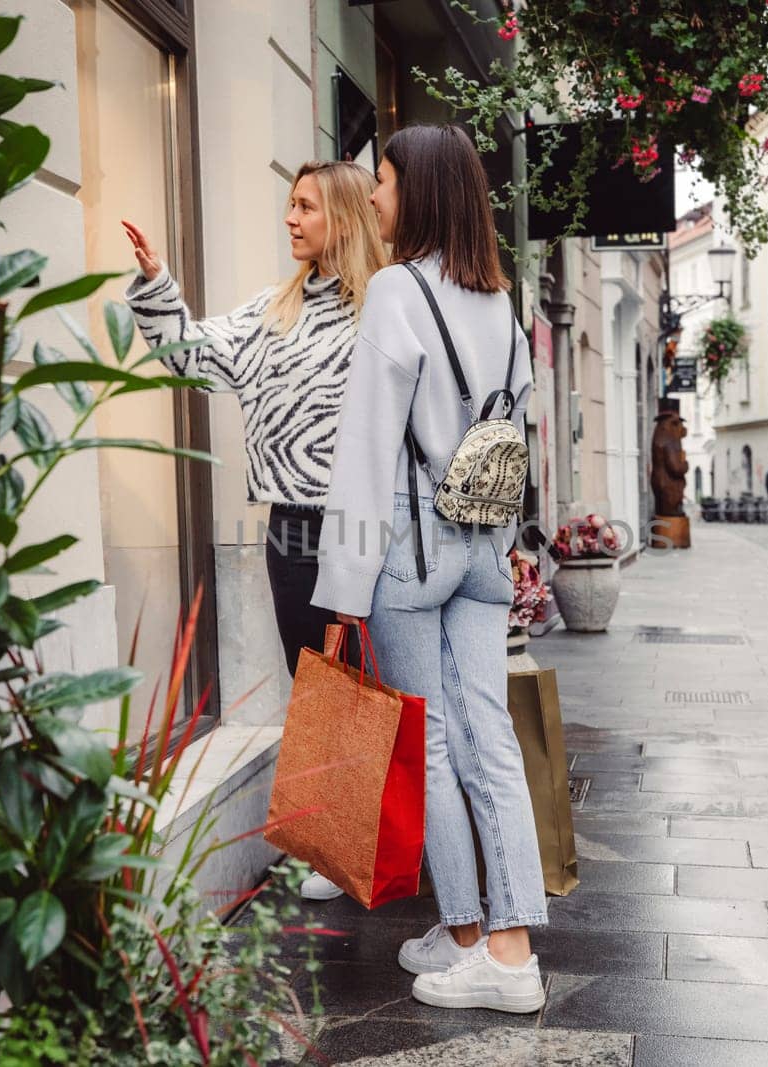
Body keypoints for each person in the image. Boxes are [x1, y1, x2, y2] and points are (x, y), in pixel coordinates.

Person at [310, 125, 545, 1014]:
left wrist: (341, 585)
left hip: (410, 554)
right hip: (485, 546)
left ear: (420, 191)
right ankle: (486, 941)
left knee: (440, 743)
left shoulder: (395, 293)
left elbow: (367, 450)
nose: (372, 197)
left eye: (382, 181)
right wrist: (511, 544)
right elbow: (513, 439)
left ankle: (485, 940)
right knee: (490, 736)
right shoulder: (502, 299)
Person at [122, 161, 387, 902]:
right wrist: (157, 282)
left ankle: (386, 832)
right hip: (291, 526)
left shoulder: (383, 307)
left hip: (366, 523)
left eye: (304, 206)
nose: (290, 219)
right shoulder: (273, 309)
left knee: (372, 682)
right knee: (319, 681)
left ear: (341, 215)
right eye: (288, 205)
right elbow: (190, 356)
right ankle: (334, 845)